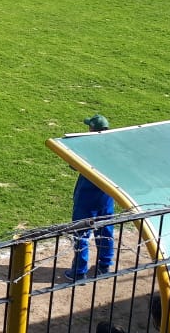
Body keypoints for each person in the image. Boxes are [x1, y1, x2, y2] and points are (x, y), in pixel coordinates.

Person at [65, 114, 116, 282]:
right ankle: (104, 266)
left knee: (81, 234)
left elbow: (73, 164)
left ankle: (79, 272)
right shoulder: (114, 145)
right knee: (106, 231)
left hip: (86, 198)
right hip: (107, 196)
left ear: (92, 128)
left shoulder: (87, 146)